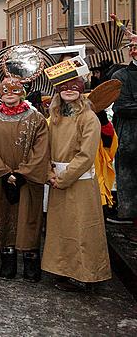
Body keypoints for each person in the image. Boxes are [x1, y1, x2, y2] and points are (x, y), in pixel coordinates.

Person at [43, 75, 112, 291]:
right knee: (61, 228)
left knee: (82, 227)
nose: (69, 90)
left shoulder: (89, 117)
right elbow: (45, 148)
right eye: (65, 87)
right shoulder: (54, 116)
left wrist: (63, 178)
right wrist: (49, 172)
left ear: (82, 90)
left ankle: (87, 274)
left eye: (75, 86)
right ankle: (64, 270)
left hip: (78, 181)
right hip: (57, 179)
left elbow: (86, 155)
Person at [0, 76, 50, 283]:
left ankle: (30, 262)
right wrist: (4, 172)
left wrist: (22, 172)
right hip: (1, 177)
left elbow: (41, 148)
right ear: (0, 93)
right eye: (6, 90)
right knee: (2, 213)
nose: (10, 94)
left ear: (22, 93)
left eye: (15, 90)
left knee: (28, 216)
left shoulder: (35, 118)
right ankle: (7, 260)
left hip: (28, 178)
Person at [111, 35, 137, 224]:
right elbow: (122, 106)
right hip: (129, 138)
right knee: (128, 177)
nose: (133, 50)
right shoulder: (120, 76)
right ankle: (128, 215)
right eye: (132, 46)